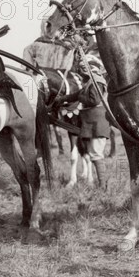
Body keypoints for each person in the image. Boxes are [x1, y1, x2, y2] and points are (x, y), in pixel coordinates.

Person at [54, 53, 110, 188]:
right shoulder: (91, 82)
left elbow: (94, 100)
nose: (81, 72)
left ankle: (103, 187)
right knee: (93, 154)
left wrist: (80, 98)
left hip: (97, 122)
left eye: (83, 69)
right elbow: (77, 95)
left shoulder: (97, 82)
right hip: (92, 122)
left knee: (96, 154)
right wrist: (62, 99)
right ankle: (102, 185)